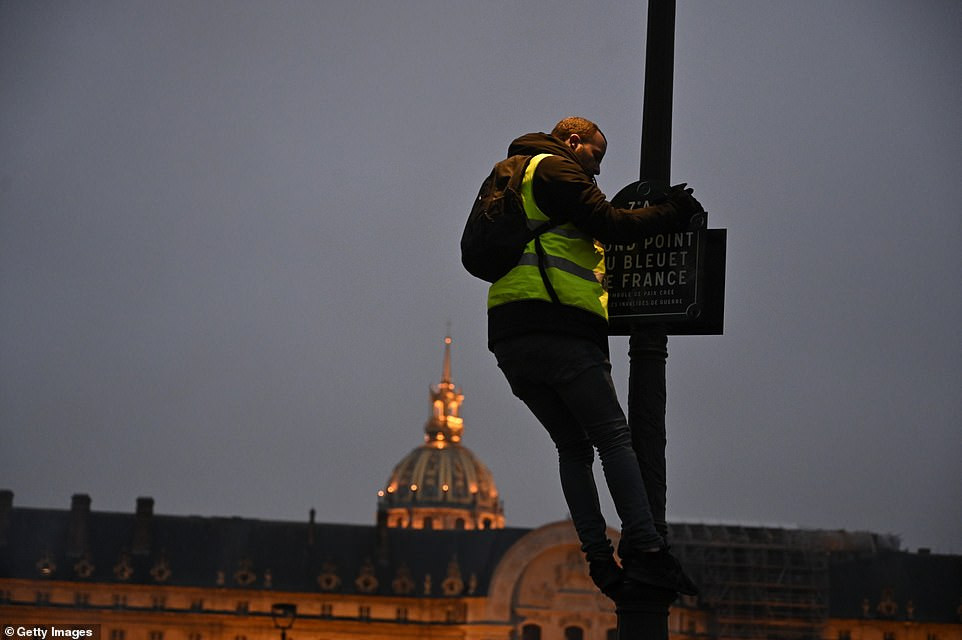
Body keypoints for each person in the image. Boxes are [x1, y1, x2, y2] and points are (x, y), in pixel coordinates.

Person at [486, 117, 699, 598]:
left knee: (573, 447)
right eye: (595, 156)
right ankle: (646, 548)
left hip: (508, 333)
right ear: (573, 141)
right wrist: (672, 211)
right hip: (560, 324)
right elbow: (611, 224)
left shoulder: (513, 173)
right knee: (612, 437)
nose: (598, 171)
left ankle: (600, 561)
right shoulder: (556, 170)